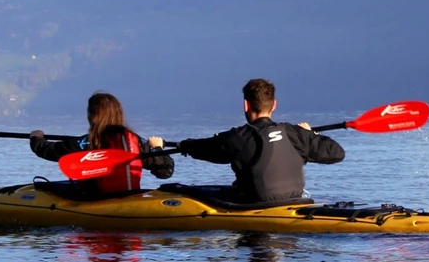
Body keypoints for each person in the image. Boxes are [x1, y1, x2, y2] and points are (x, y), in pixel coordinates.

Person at [176, 78, 344, 203]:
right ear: (274, 105)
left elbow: (204, 148)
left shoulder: (237, 137)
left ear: (246, 105)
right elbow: (337, 153)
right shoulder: (295, 134)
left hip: (255, 204)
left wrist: (183, 145)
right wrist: (310, 134)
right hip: (294, 200)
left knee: (190, 192)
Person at [30, 92, 173, 193]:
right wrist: (157, 148)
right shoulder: (136, 142)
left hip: (96, 202)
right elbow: (165, 172)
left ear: (92, 116)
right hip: (128, 198)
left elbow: (47, 150)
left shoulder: (87, 143)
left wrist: (36, 138)